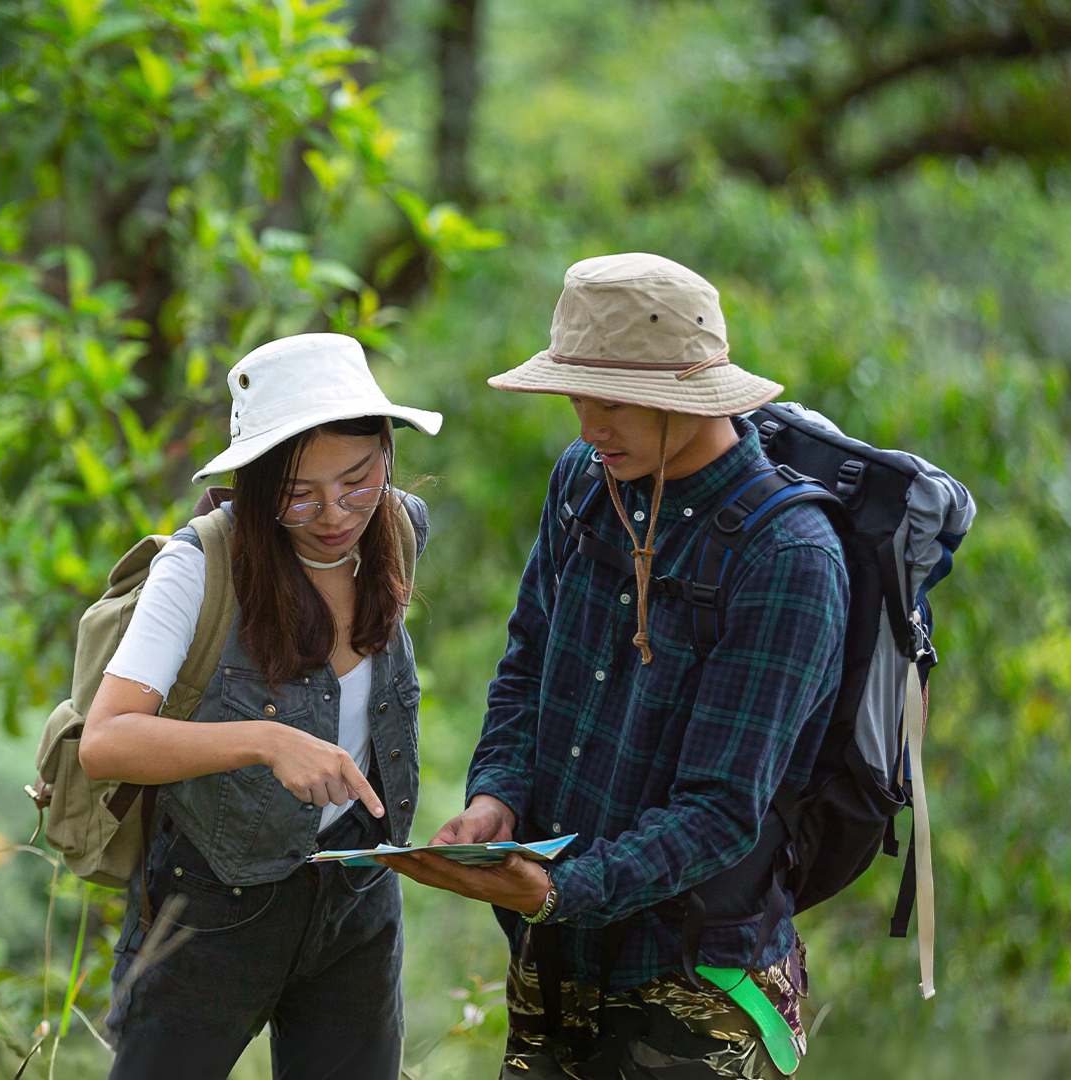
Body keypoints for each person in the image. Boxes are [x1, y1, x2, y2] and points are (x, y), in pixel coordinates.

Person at [384, 254, 849, 1078]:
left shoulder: (788, 557)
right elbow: (527, 664)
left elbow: (719, 811)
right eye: (577, 397)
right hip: (556, 957)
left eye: (614, 402)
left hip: (694, 981)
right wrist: (497, 796)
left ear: (690, 393)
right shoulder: (583, 482)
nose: (589, 426)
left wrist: (562, 890)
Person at [81, 332, 439, 1078]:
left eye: (358, 481)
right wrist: (267, 741)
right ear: (253, 483)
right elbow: (107, 740)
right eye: (298, 493)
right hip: (214, 904)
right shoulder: (199, 568)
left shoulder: (399, 527)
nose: (335, 514)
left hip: (357, 889)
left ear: (387, 454)